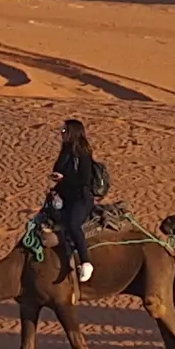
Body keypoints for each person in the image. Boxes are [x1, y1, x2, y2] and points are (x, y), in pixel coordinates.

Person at [41, 118, 109, 287]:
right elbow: (58, 168)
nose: (61, 133)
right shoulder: (65, 150)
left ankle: (86, 263)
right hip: (65, 195)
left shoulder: (83, 153)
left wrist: (64, 178)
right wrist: (57, 178)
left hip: (81, 197)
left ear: (73, 132)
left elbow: (83, 179)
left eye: (64, 131)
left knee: (72, 223)